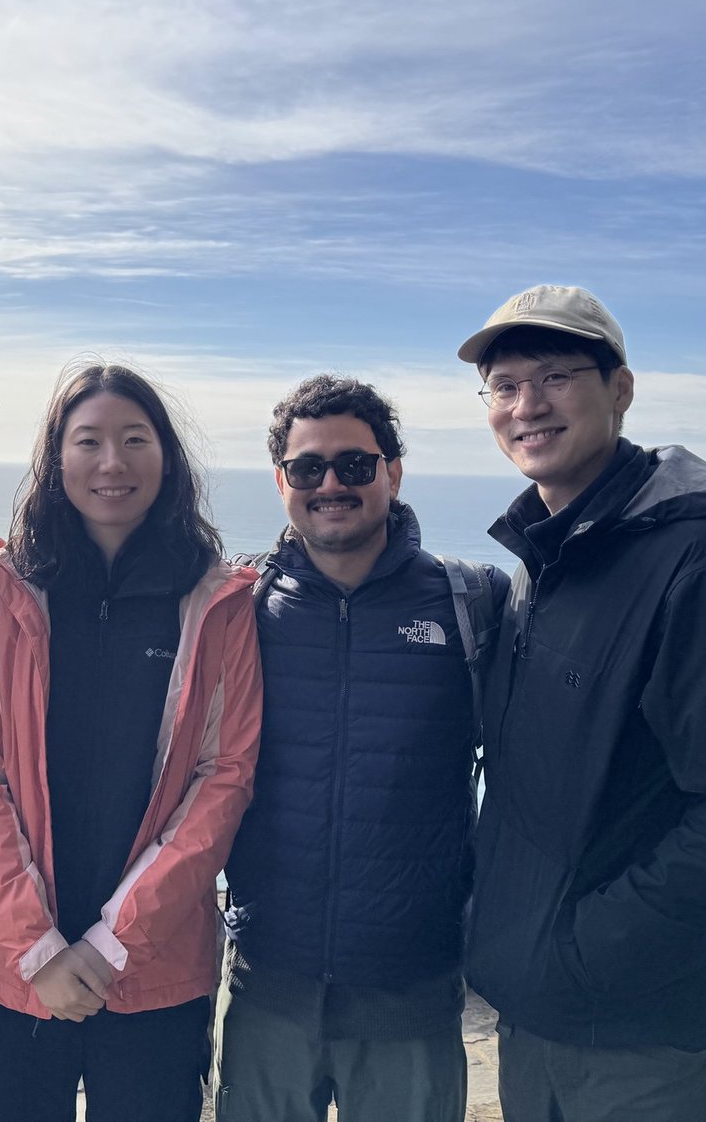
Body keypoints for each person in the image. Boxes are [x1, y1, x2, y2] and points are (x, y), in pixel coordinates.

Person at [456, 285, 706, 1121]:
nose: (526, 405)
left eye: (554, 376)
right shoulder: (546, 562)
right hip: (542, 1019)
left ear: (619, 390)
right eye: (504, 385)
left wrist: (583, 955)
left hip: (648, 1038)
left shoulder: (698, 566)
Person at [0, 362, 262, 1122]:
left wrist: (111, 945)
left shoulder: (218, 602)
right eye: (87, 441)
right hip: (13, 961)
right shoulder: (4, 588)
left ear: (167, 457)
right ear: (56, 460)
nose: (112, 463)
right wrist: (41, 948)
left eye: (134, 439)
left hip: (157, 967)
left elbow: (223, 781)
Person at [215, 375, 508, 1122]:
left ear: (393, 472)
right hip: (269, 972)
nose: (331, 484)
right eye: (307, 467)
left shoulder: (469, 602)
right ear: (281, 481)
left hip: (409, 982)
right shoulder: (239, 611)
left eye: (354, 464)